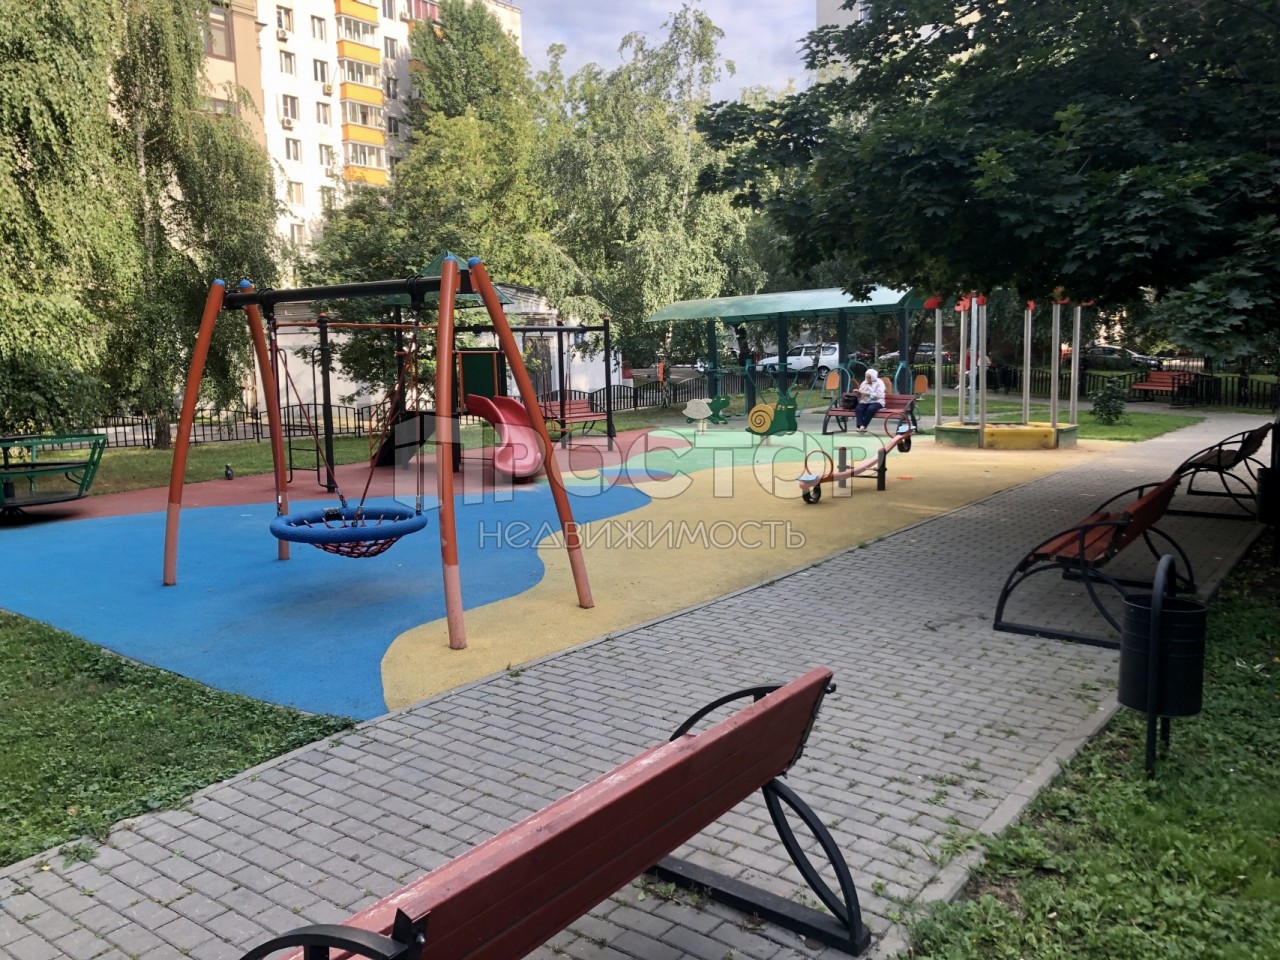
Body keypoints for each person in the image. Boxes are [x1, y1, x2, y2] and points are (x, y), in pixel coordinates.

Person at [853, 368, 885, 432]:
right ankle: (861, 426)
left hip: (877, 401)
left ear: (873, 377)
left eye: (869, 378)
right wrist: (858, 393)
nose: (867, 379)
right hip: (865, 401)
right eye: (866, 377)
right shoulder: (864, 383)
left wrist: (868, 394)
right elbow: (861, 392)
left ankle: (863, 426)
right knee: (858, 409)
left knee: (870, 409)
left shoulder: (879, 382)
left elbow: (879, 395)